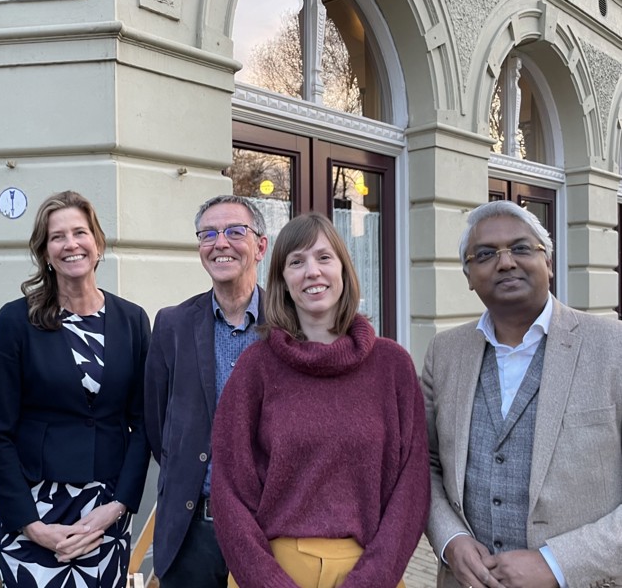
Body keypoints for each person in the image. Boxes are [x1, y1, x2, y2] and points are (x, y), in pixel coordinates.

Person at [211, 211, 430, 588]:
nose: (312, 271)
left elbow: (412, 488)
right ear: (282, 280)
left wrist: (371, 581)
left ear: (344, 270)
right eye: (296, 262)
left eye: (324, 258)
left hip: (372, 573)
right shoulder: (256, 367)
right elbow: (229, 489)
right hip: (272, 572)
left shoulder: (391, 366)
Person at [423, 200, 622, 588]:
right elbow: (425, 465)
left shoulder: (613, 347)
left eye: (521, 247)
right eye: (485, 254)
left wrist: (558, 564)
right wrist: (450, 539)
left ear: (547, 262)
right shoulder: (444, 353)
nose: (505, 262)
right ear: (468, 275)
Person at [0, 190, 151, 588]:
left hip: (104, 513)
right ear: (44, 252)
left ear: (97, 242)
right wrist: (27, 522)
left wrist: (120, 505)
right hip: (34, 511)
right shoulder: (15, 321)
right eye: (57, 236)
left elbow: (145, 423)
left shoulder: (132, 320)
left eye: (81, 232)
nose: (71, 244)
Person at [144, 194, 269, 587]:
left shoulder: (290, 327)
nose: (221, 243)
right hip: (192, 530)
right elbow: (156, 424)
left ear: (260, 246)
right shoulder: (172, 325)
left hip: (271, 528)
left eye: (235, 231)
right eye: (208, 234)